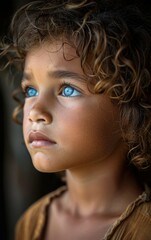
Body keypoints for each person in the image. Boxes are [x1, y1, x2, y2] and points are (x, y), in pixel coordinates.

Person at [0, 0, 151, 239]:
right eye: (31, 90)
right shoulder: (31, 223)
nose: (35, 111)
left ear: (130, 112)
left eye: (67, 90)